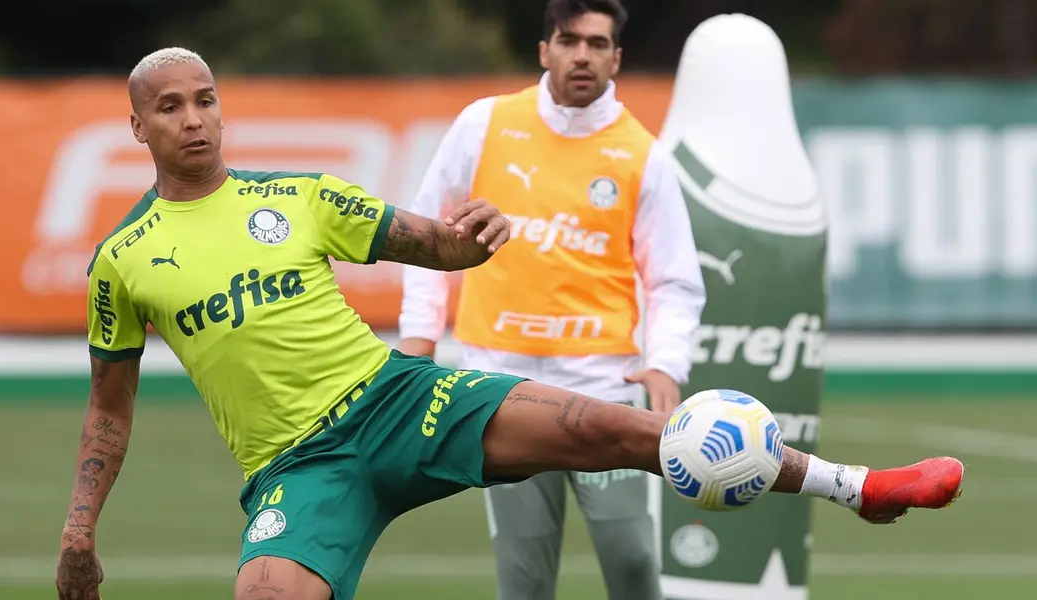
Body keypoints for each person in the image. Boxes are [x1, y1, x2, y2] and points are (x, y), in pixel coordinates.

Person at [54, 46, 965, 600]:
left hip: (395, 398)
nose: (194, 118)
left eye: (205, 99)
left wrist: (470, 242)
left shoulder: (297, 194)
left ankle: (859, 486)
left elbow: (435, 244)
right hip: (298, 466)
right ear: (137, 128)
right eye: (169, 107)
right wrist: (78, 533)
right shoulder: (123, 261)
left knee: (607, 426)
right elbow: (109, 410)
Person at [396, 1, 701, 597]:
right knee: (524, 576)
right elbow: (425, 237)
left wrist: (666, 362)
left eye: (596, 43)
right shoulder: (484, 125)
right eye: (568, 40)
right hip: (498, 386)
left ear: (617, 57)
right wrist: (417, 342)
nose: (581, 54)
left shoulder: (645, 155)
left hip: (603, 386)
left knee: (633, 558)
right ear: (545, 51)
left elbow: (674, 279)